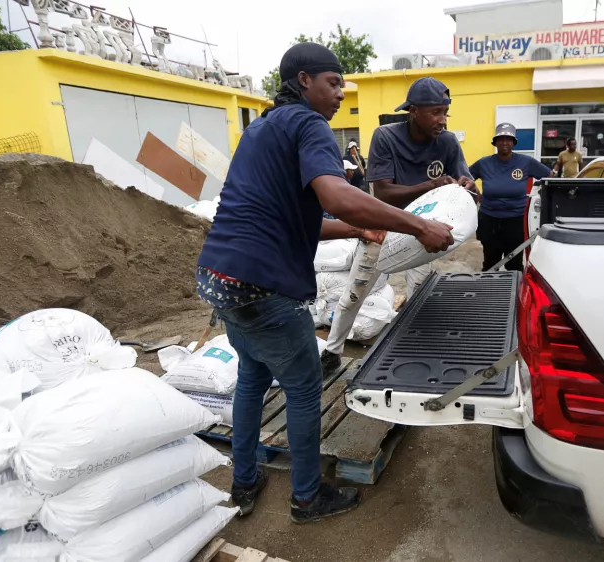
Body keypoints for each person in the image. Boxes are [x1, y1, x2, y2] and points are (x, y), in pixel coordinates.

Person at [195, 43, 454, 524]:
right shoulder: (309, 124)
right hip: (264, 286)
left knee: (252, 378)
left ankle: (245, 481)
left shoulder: (262, 129)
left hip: (220, 277)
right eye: (333, 83)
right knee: (303, 387)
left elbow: (302, 220)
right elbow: (340, 195)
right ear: (303, 82)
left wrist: (358, 229)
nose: (340, 93)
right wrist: (418, 226)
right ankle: (307, 498)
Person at [319, 76, 477, 375]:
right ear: (413, 110)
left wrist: (467, 186)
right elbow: (383, 193)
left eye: (446, 112)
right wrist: (432, 183)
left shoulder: (448, 142)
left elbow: (469, 186)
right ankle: (333, 350)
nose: (442, 120)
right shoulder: (386, 136)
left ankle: (413, 356)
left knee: (419, 293)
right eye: (435, 112)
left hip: (424, 232)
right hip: (381, 227)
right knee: (355, 292)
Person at [469, 123, 550, 271]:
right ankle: (489, 291)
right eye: (501, 139)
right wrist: (475, 192)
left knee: (514, 263)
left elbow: (549, 176)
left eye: (508, 139)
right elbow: (466, 178)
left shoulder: (526, 162)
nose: (504, 142)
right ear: (495, 142)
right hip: (489, 219)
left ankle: (514, 293)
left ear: (513, 142)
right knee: (490, 261)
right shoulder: (484, 163)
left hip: (516, 220)